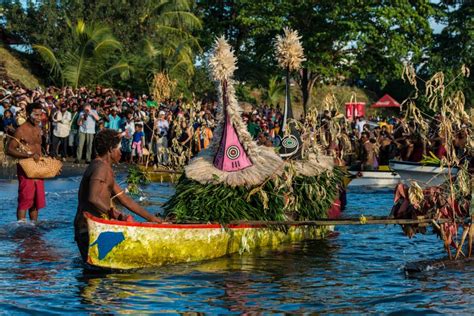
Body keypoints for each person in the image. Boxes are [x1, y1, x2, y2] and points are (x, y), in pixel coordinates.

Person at [74, 129, 162, 262]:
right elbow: (93, 197)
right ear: (110, 150)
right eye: (119, 149)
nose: (121, 152)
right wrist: (115, 214)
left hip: (89, 228)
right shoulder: (101, 168)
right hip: (88, 228)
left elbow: (124, 199)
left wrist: (151, 218)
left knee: (93, 274)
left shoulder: (103, 167)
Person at [6, 102, 45, 222]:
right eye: (36, 115)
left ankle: (34, 226)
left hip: (38, 167)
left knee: (36, 200)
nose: (39, 118)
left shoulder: (38, 128)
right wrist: (28, 155)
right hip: (25, 167)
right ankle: (21, 227)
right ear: (28, 114)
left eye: (40, 115)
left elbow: (38, 148)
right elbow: (9, 149)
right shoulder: (21, 130)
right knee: (25, 198)